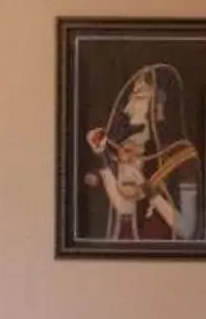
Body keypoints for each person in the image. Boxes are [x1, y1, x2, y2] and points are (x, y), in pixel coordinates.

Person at [83, 61, 199, 241]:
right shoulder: (125, 149)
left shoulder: (182, 156)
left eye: (139, 97)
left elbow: (187, 230)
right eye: (131, 98)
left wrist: (147, 188)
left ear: (159, 104)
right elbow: (123, 207)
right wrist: (101, 155)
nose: (129, 108)